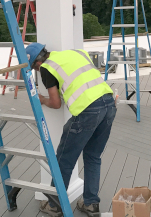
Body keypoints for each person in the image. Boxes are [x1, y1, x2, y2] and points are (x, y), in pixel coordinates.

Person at [25, 42, 116, 217]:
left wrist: (41, 99)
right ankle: (90, 203)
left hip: (88, 111)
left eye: (34, 69)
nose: (36, 72)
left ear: (37, 63)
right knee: (93, 156)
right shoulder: (77, 53)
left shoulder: (46, 68)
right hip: (109, 104)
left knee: (64, 159)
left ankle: (54, 205)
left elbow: (56, 103)